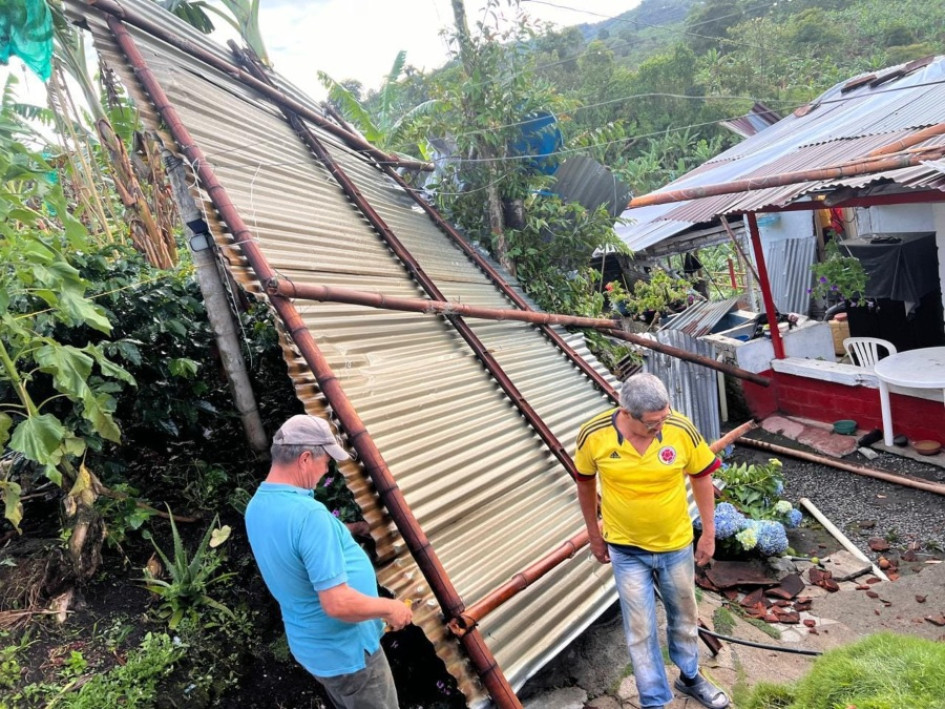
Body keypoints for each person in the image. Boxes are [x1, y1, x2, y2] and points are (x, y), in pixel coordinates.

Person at [573, 373, 729, 709]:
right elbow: (584, 483)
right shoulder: (594, 435)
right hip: (626, 549)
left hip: (675, 545)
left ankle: (689, 677)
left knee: (685, 619)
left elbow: (702, 477)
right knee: (640, 630)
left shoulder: (680, 428)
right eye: (652, 423)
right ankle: (654, 700)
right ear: (626, 413)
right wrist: (593, 534)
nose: (661, 425)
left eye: (664, 417)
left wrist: (709, 534)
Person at [245, 414, 412, 709]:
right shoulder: (310, 516)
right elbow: (338, 604)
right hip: (348, 654)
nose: (326, 470)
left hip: (314, 648)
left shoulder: (259, 505)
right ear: (306, 458)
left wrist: (353, 530)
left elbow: (297, 545)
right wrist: (391, 608)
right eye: (326, 461)